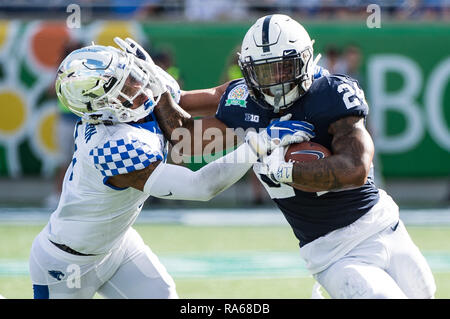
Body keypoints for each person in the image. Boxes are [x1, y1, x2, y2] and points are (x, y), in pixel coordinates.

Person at [152, 14, 436, 299]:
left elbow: (356, 167)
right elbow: (185, 139)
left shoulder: (330, 93)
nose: (274, 83)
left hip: (384, 225)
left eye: (283, 69)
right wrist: (154, 94)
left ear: (305, 60)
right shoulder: (246, 105)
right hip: (332, 252)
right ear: (249, 73)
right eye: (264, 73)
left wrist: (285, 172)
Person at [28, 41, 312, 299]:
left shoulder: (137, 92)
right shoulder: (111, 146)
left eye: (129, 76)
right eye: (123, 88)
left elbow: (214, 97)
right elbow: (202, 187)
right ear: (99, 108)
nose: (135, 86)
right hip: (67, 264)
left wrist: (275, 91)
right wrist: (260, 143)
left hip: (118, 244)